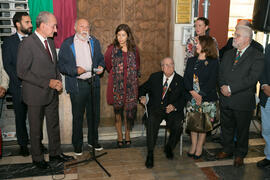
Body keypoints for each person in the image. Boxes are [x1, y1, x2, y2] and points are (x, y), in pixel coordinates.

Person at [16, 11, 73, 169]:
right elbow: (22, 72)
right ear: (43, 25)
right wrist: (48, 82)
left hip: (52, 93)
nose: (56, 30)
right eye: (53, 26)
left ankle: (55, 153)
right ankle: (37, 158)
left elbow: (54, 66)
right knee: (35, 129)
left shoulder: (50, 42)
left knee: (53, 125)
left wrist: (59, 81)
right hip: (35, 94)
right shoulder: (27, 44)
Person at [217, 25, 264, 167]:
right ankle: (227, 149)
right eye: (234, 34)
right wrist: (222, 86)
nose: (234, 37)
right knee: (226, 127)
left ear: (247, 39)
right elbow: (220, 72)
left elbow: (251, 79)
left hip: (242, 100)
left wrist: (231, 88)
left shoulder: (257, 56)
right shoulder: (229, 53)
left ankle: (240, 154)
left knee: (242, 130)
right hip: (225, 98)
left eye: (237, 35)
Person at [2, 12, 47, 157]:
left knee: (36, 117)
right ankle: (23, 145)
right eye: (27, 22)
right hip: (18, 87)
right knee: (20, 118)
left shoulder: (35, 40)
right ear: (17, 24)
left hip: (34, 88)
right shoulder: (8, 42)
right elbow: (7, 65)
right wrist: (20, 81)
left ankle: (38, 144)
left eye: (30, 22)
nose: (31, 25)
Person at [58, 18, 105, 155]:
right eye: (82, 26)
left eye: (87, 26)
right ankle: (77, 145)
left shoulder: (94, 41)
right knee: (78, 117)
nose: (85, 29)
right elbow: (61, 66)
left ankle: (93, 141)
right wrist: (74, 71)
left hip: (93, 83)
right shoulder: (67, 44)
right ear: (75, 28)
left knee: (94, 115)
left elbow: (100, 58)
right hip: (78, 84)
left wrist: (102, 66)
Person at [139, 57, 185, 168]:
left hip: (172, 110)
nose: (170, 67)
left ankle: (169, 147)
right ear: (162, 67)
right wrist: (142, 96)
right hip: (156, 108)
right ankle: (150, 154)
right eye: (166, 65)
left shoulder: (180, 80)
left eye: (171, 64)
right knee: (151, 121)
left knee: (178, 125)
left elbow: (184, 98)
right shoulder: (155, 77)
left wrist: (174, 106)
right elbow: (141, 89)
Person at [105, 24, 140, 148]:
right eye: (118, 35)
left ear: (128, 36)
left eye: (123, 35)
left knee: (129, 113)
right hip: (117, 86)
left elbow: (138, 66)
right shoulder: (111, 49)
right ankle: (119, 136)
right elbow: (108, 66)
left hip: (131, 86)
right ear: (116, 35)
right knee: (118, 113)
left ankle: (127, 135)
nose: (120, 38)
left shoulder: (134, 50)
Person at [184, 35, 219, 160]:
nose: (196, 45)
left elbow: (212, 81)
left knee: (204, 125)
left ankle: (199, 147)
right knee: (193, 124)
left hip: (207, 99)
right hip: (192, 97)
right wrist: (192, 92)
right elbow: (186, 79)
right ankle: (193, 145)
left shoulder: (214, 62)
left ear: (206, 46)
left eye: (198, 43)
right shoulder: (191, 60)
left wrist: (201, 95)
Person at [257, 44, 270, 168]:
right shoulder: (269, 47)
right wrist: (265, 85)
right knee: (266, 129)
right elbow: (263, 68)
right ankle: (269, 156)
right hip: (268, 95)